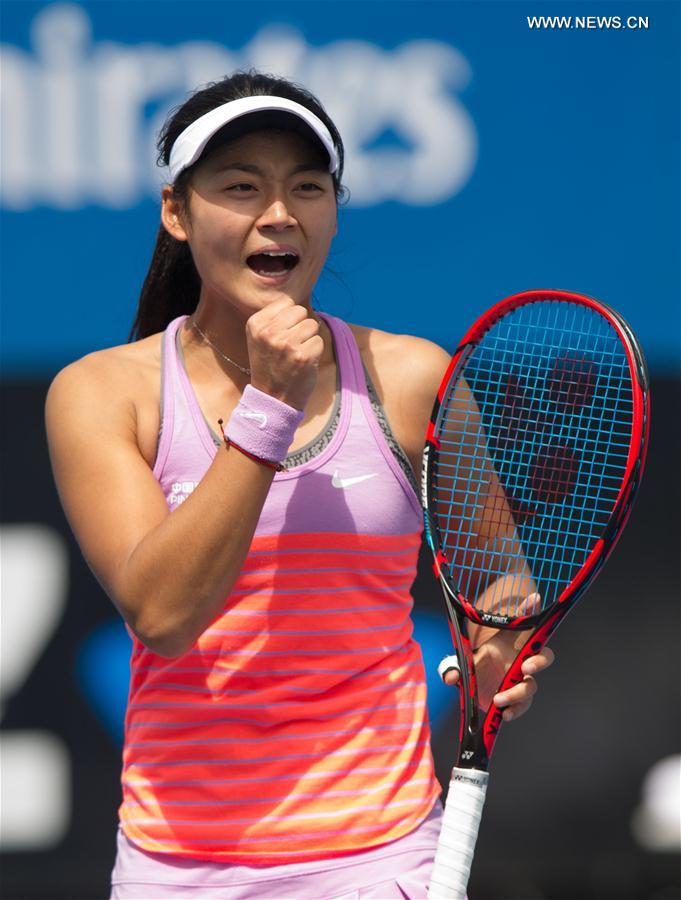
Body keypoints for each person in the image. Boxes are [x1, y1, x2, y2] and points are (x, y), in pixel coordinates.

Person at [45, 70, 554, 899]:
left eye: (306, 187)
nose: (278, 212)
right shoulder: (103, 394)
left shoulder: (413, 375)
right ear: (176, 211)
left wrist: (502, 647)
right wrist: (269, 407)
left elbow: (498, 575)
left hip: (383, 855)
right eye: (241, 186)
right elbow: (165, 616)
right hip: (178, 867)